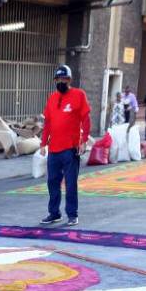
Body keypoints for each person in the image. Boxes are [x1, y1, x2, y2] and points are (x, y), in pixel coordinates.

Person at [39, 64, 91, 227]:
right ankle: (54, 213)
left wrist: (84, 141)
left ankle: (72, 214)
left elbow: (86, 119)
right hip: (54, 149)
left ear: (69, 80)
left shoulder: (79, 95)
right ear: (55, 81)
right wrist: (43, 143)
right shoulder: (52, 98)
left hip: (70, 148)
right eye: (58, 79)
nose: (61, 82)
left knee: (70, 183)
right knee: (52, 182)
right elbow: (48, 123)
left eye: (64, 79)